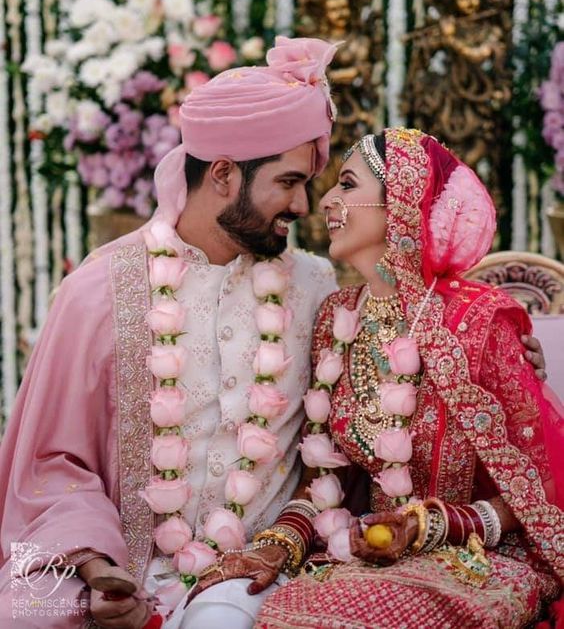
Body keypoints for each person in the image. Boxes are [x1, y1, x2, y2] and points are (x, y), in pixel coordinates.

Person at [0, 44, 546, 629]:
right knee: (30, 615)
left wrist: (502, 348)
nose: (305, 205)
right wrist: (94, 563)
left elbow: (368, 412)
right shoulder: (98, 291)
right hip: (117, 562)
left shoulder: (317, 288)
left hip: (262, 568)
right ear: (224, 173)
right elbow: (52, 465)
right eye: (289, 182)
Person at [254, 129, 563, 629]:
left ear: (400, 202)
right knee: (285, 608)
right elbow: (326, 476)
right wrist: (280, 542)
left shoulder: (480, 319)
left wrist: (429, 524)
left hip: (483, 555)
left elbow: (538, 487)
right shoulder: (337, 317)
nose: (326, 201)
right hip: (372, 556)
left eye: (347, 185)